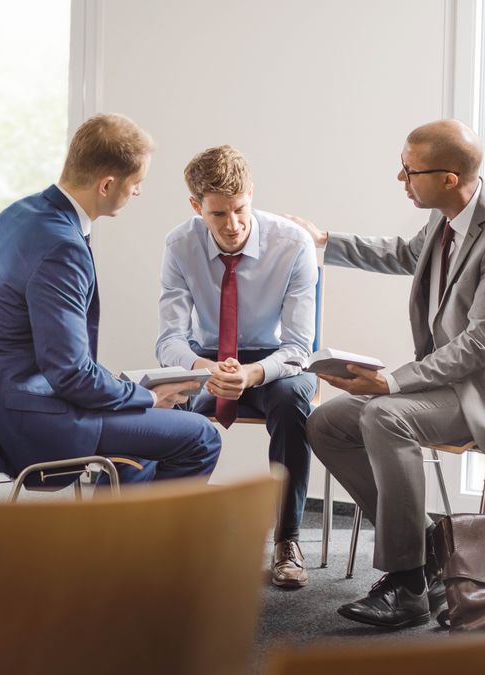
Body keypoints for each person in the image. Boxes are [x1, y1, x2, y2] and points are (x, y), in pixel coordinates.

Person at [286, 119, 485, 628]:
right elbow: (403, 253)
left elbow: (481, 344)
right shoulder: (451, 217)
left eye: (409, 170)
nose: (400, 178)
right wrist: (324, 241)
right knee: (327, 423)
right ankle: (432, 553)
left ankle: (407, 583)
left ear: (447, 177)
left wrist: (391, 383)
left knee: (386, 416)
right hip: (454, 381)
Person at [0, 113, 221, 486]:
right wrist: (145, 398)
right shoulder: (62, 249)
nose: (138, 192)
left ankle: (110, 539)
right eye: (137, 183)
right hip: (33, 423)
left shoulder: (19, 214)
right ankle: (146, 544)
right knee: (201, 436)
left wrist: (131, 391)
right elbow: (71, 374)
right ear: (107, 184)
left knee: (146, 439)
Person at [156, 145, 318, 587]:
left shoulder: (293, 245)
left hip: (274, 363)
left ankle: (288, 540)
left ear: (252, 194)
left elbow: (301, 346)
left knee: (292, 398)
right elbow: (169, 339)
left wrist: (252, 374)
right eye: (218, 215)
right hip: (207, 359)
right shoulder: (179, 244)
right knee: (163, 399)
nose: (233, 225)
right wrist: (202, 368)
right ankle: (170, 534)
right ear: (196, 207)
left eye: (241, 209)